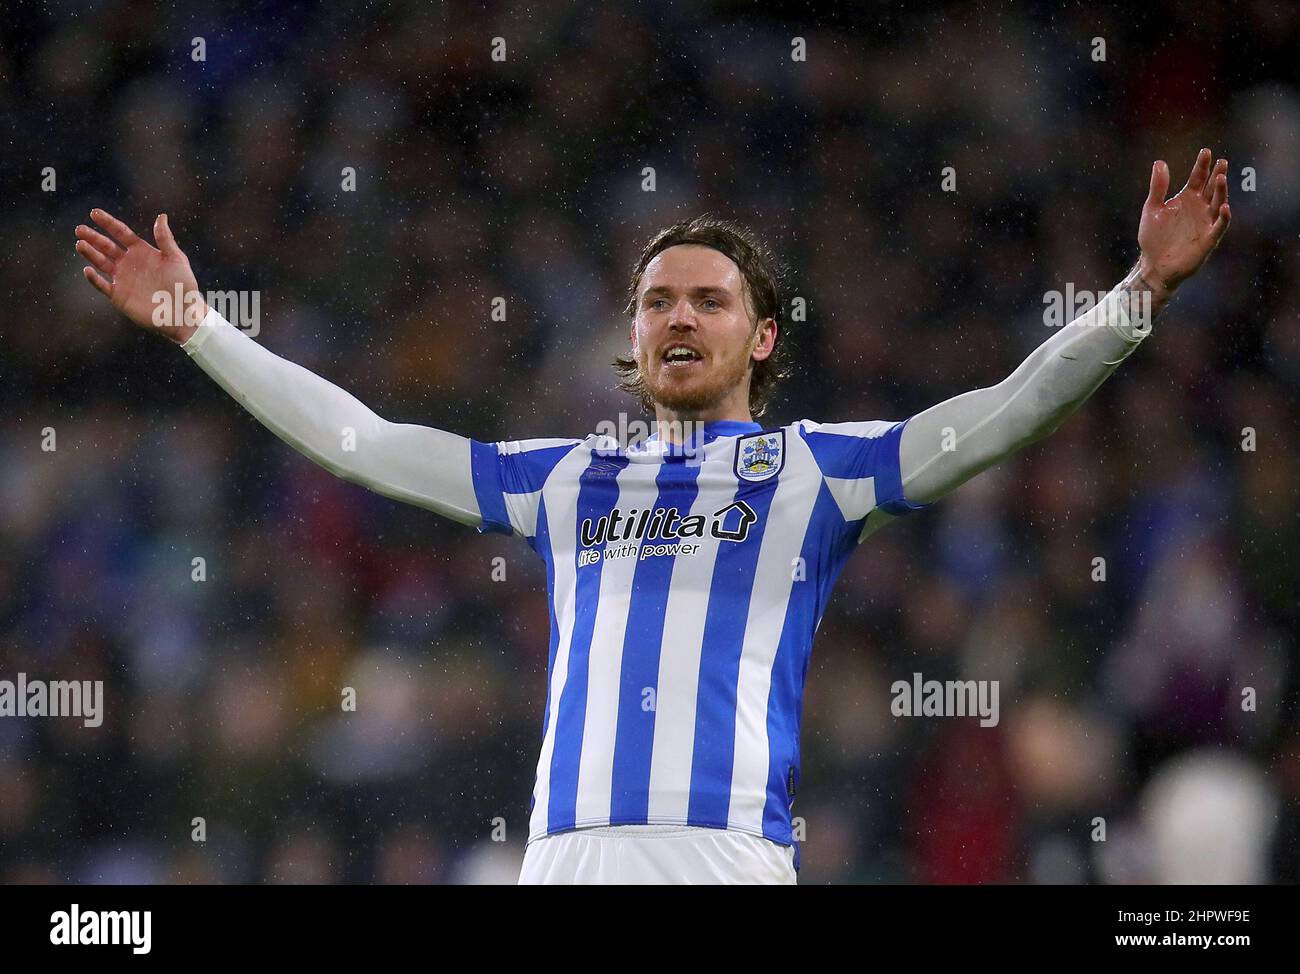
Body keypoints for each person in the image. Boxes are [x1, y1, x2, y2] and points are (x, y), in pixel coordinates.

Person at [74, 150, 1231, 884]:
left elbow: (1002, 415)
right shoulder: (562, 477)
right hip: (567, 856)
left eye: (710, 299)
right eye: (658, 300)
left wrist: (1136, 298)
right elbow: (363, 443)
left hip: (724, 854)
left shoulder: (813, 472)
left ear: (761, 337)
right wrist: (198, 326)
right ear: (632, 337)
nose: (680, 316)